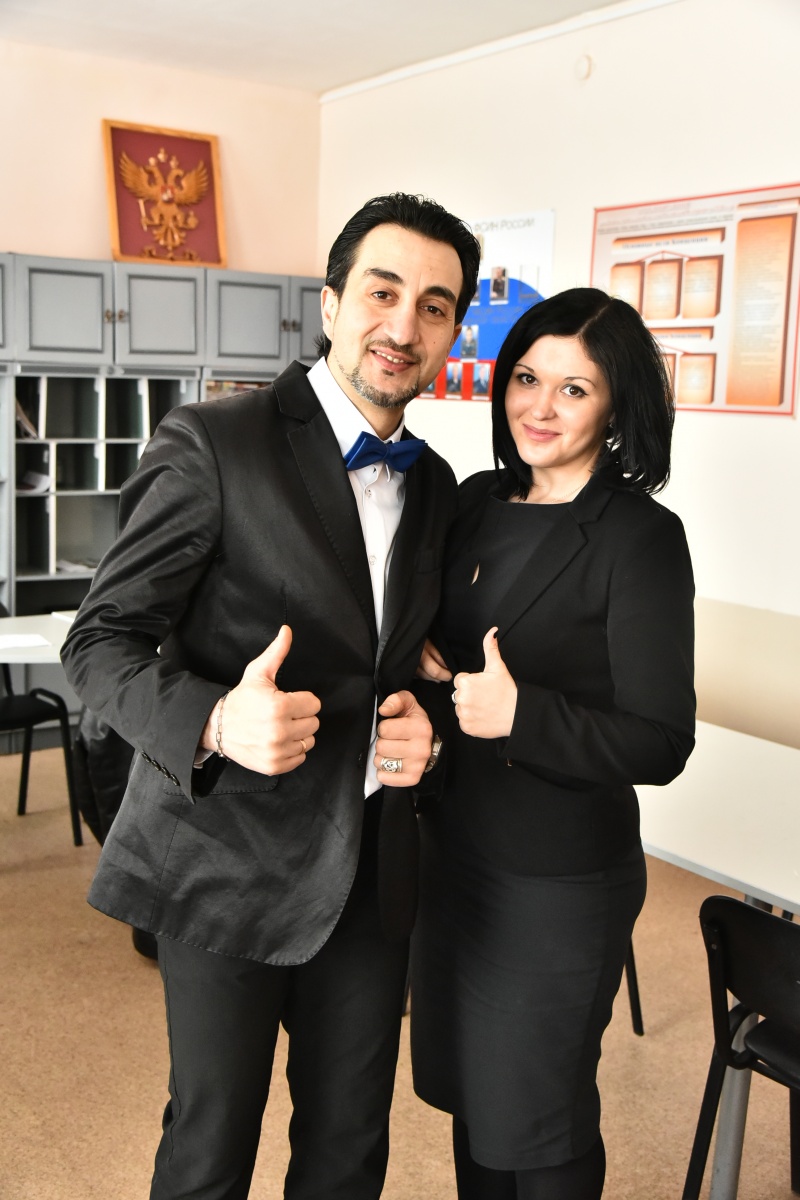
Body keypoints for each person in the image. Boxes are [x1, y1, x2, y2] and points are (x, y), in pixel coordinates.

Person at [61, 192, 481, 1200]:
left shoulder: (436, 486)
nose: (403, 325)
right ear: (330, 303)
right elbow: (98, 642)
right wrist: (214, 717)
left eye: (433, 306)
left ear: (452, 333)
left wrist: (429, 730)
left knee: (349, 1149)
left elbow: (408, 662)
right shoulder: (215, 441)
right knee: (210, 1148)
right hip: (226, 859)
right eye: (381, 292)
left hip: (371, 871)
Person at [410, 287, 695, 1200]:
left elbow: (661, 741)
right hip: (452, 852)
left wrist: (522, 715)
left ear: (616, 407)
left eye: (574, 389)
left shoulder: (641, 538)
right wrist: (424, 665)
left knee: (537, 1115)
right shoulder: (476, 501)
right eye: (527, 379)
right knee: (473, 1098)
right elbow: (448, 653)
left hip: (555, 879)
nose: (539, 407)